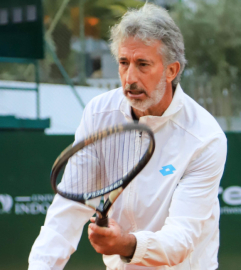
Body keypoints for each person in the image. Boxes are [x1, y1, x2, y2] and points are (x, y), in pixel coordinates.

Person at [28, 3, 227, 270]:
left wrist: (126, 244)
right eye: (124, 63)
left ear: (171, 70)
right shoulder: (98, 114)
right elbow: (67, 210)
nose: (130, 78)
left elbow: (181, 239)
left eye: (143, 64)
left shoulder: (205, 137)